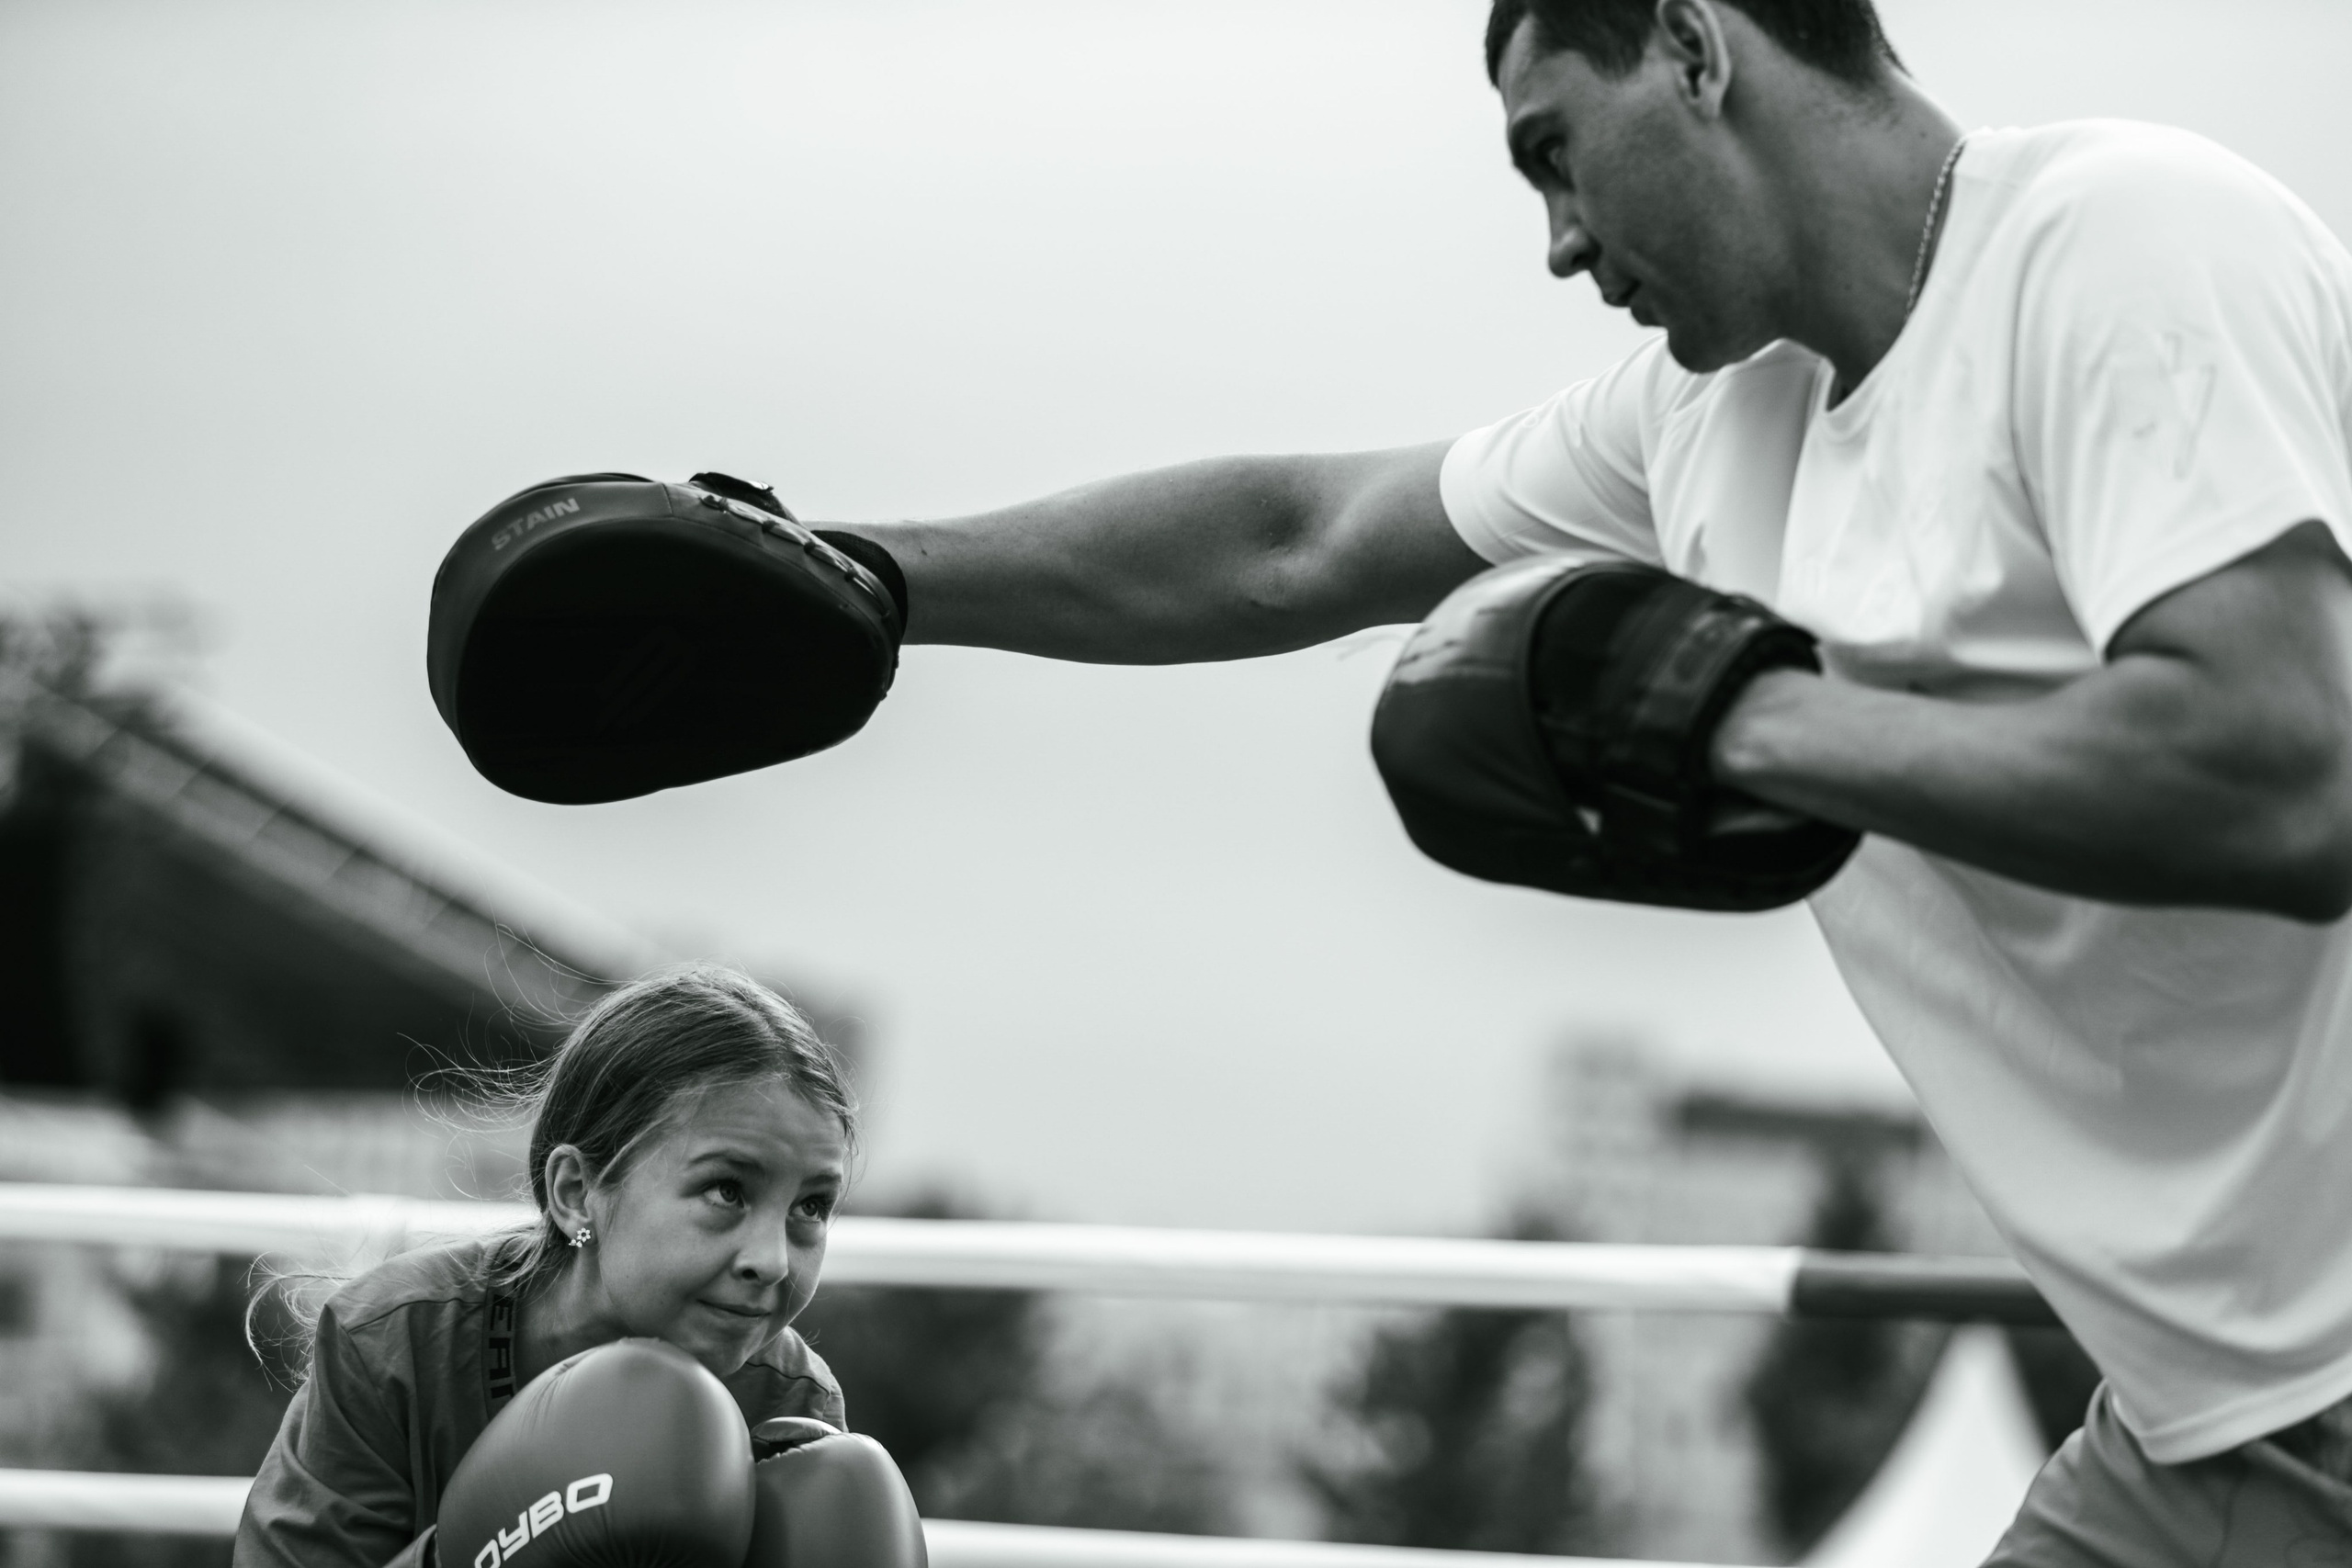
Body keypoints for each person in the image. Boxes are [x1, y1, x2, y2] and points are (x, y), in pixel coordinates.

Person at [808, 1, 2352, 1560]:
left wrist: (1742, 728)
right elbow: (1298, 542)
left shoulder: (2123, 242)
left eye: (1556, 152)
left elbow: (2292, 770)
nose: (1557, 240)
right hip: (2199, 1415)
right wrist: (858, 577)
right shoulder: (1708, 419)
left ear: (1694, 44)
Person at [235, 965, 858, 1568]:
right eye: (727, 1189)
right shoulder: (393, 1343)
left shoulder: (791, 1401)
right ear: (575, 1192)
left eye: (811, 1205)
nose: (772, 1260)